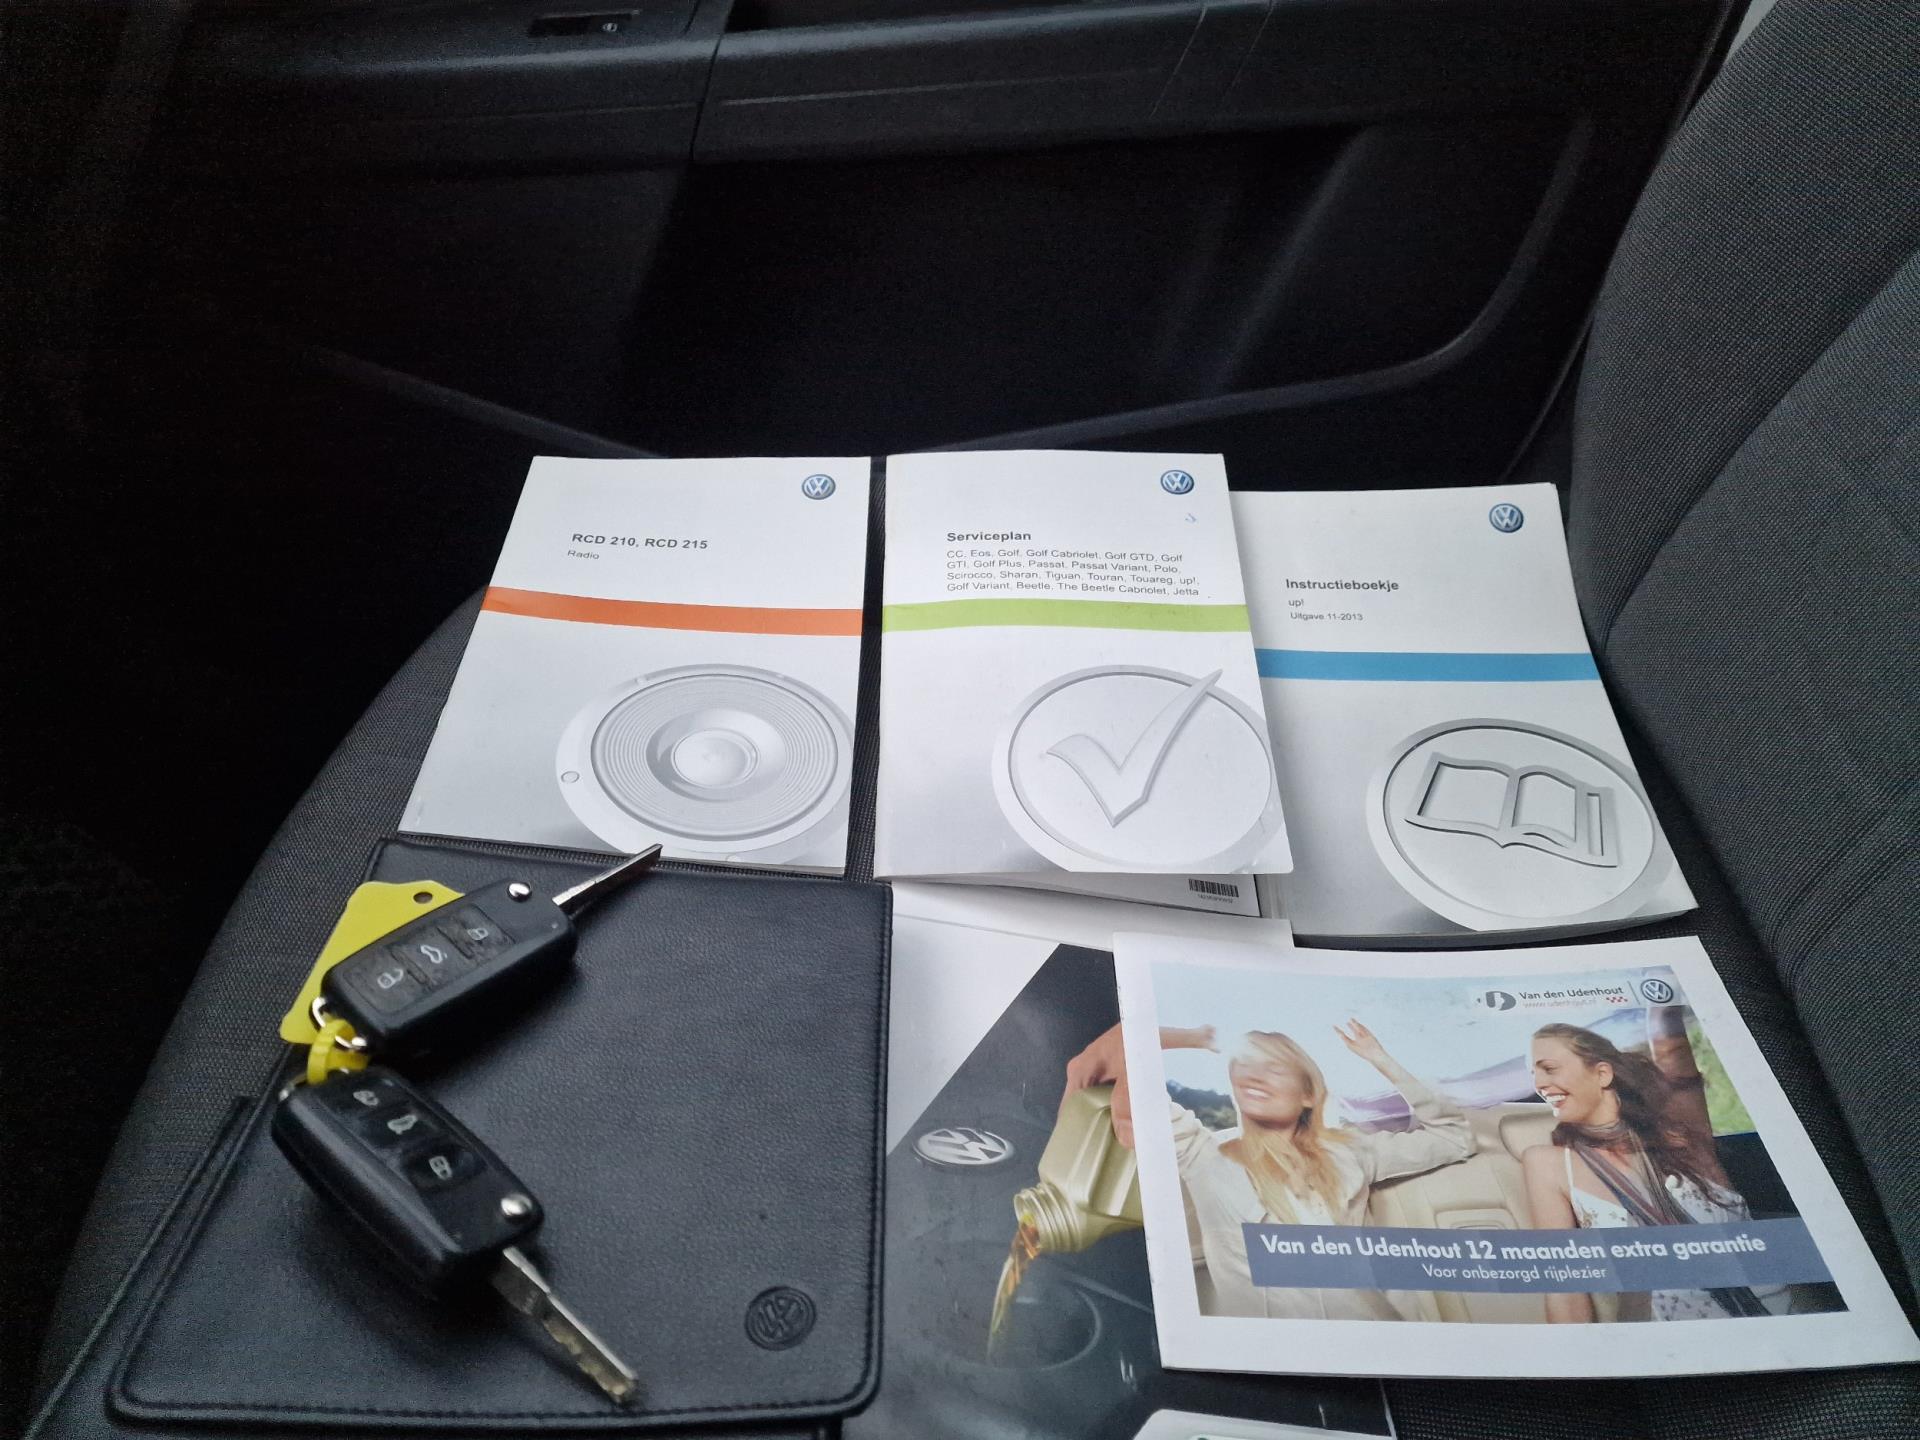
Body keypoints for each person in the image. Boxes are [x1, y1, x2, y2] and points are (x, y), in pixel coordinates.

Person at [1065, 1017, 1474, 1319]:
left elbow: (1456, 1138)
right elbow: (1132, 1068)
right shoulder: (1200, 1153)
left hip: (1375, 1340)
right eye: (1245, 1065)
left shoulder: (1353, 1151)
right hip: (1272, 1365)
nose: (1254, 1076)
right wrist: (1180, 1037)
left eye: (1274, 1068)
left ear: (1309, 1094)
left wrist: (1379, 1058)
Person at [1520, 1006, 1789, 1322]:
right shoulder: (1549, 1164)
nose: (1539, 1084)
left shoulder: (1680, 1136)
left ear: (1603, 1074)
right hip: (1678, 1343)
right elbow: (1564, 1288)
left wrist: (1662, 998)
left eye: (1549, 1069)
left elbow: (1671, 1044)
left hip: (1779, 1325)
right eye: (1533, 1074)